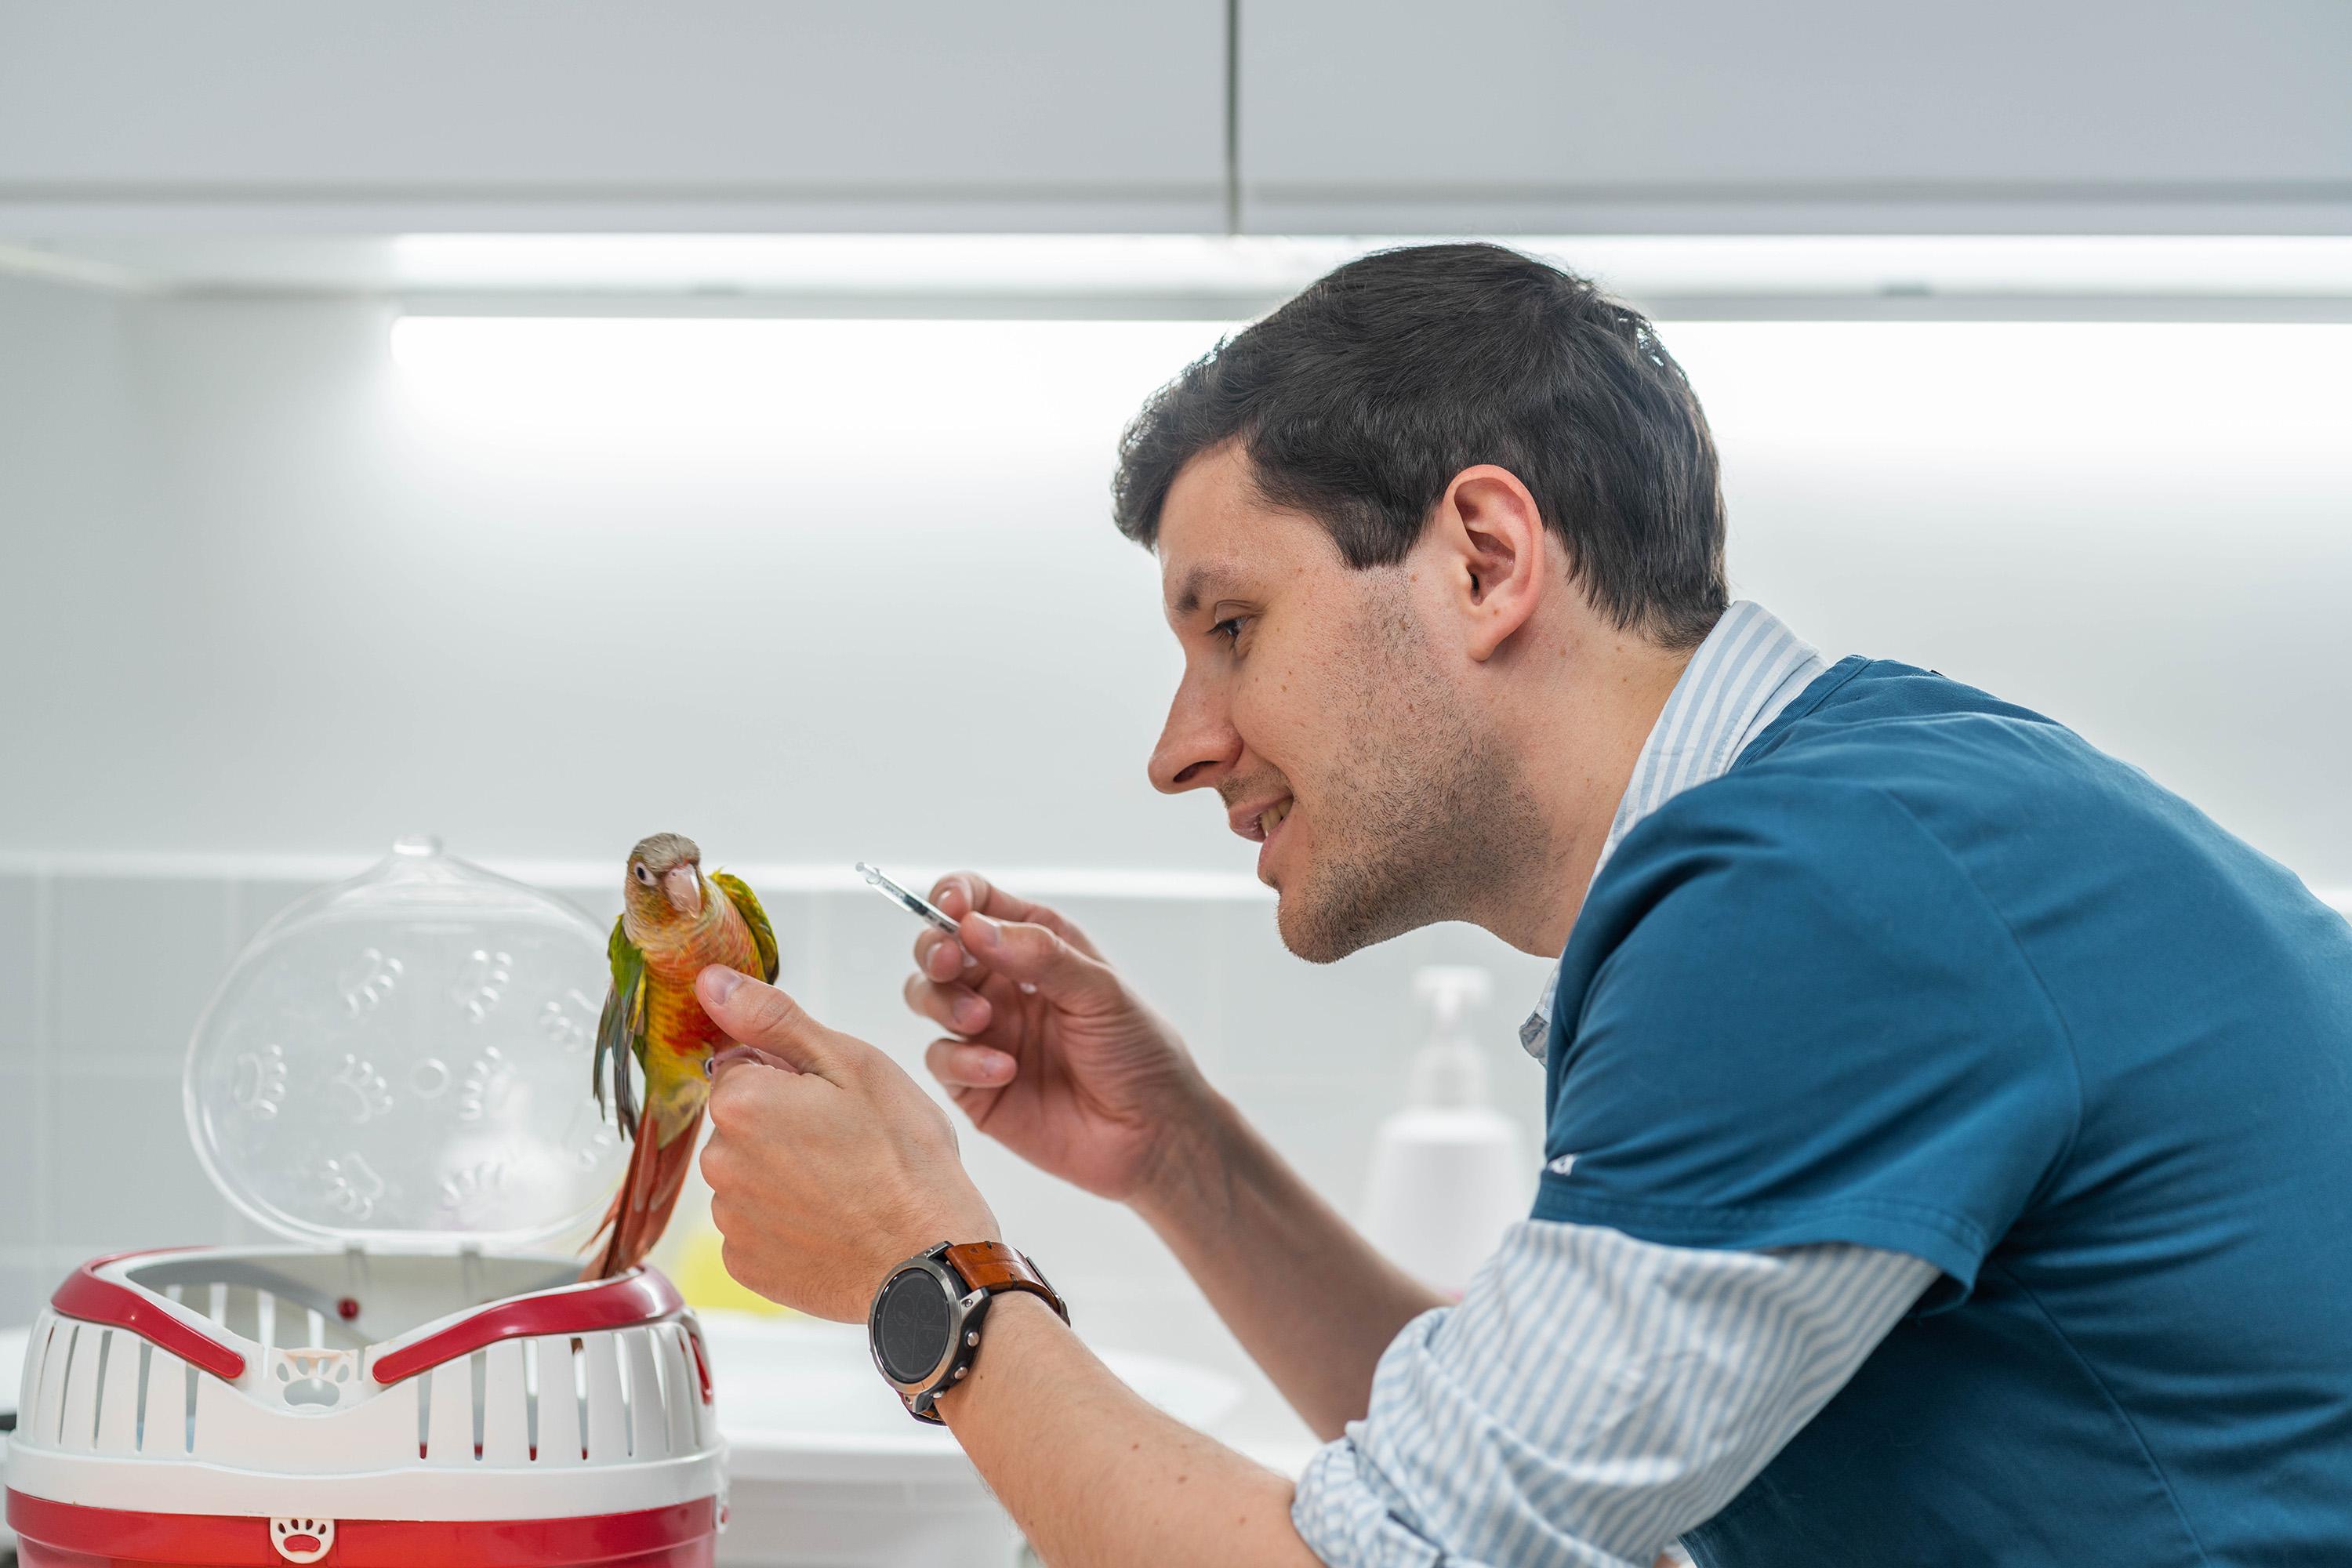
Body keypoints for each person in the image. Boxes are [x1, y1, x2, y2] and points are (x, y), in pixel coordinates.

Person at [693, 243, 2352, 1566]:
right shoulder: (1866, 818)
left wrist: (926, 1264)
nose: (1178, 749)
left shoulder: (1822, 903)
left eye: (1234, 628)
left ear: (1486, 557)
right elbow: (1518, 1491)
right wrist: (1179, 1154)